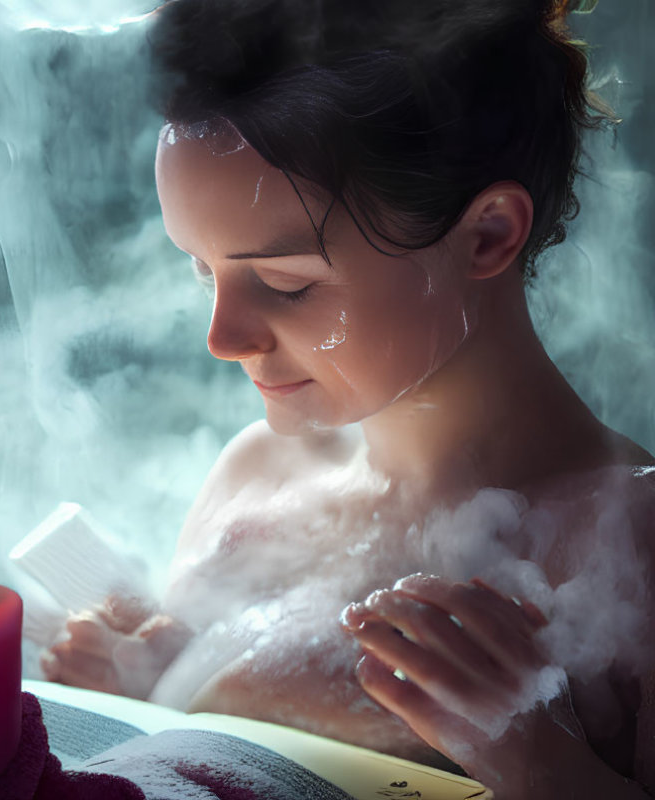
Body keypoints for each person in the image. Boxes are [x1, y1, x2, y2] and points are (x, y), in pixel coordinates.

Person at [41, 1, 655, 795]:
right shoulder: (256, 477)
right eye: (203, 272)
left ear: (488, 235)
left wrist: (538, 759)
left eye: (285, 284)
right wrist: (157, 683)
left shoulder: (628, 545)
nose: (222, 337)